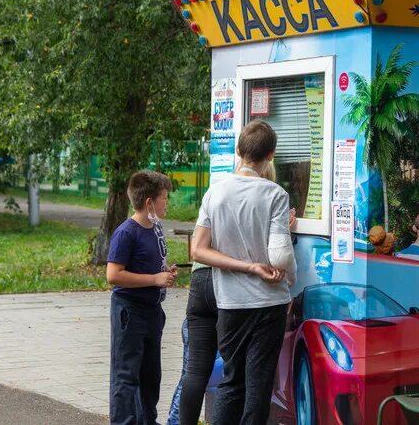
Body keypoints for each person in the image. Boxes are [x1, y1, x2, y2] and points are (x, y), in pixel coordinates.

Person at [168, 160, 295, 425]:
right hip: (233, 289)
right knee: (255, 383)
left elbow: (200, 248)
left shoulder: (216, 192)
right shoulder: (272, 195)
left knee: (202, 372)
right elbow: (278, 253)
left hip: (200, 280)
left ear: (239, 152)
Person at [107, 170, 177, 425]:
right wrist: (154, 280)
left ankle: (148, 420)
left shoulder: (155, 229)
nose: (166, 202)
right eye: (164, 198)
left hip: (152, 312)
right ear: (149, 203)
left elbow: (149, 267)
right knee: (127, 374)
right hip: (130, 311)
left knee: (151, 374)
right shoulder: (127, 232)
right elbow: (113, 275)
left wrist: (164, 274)